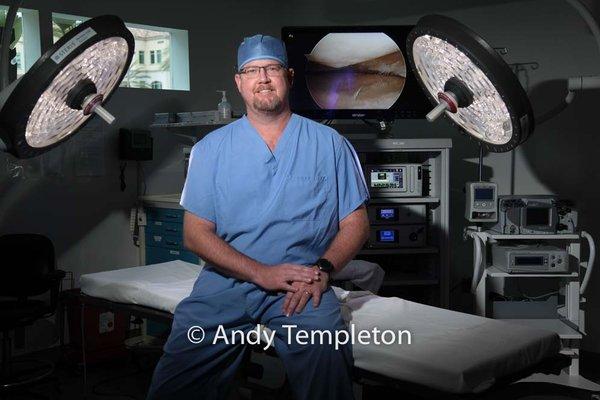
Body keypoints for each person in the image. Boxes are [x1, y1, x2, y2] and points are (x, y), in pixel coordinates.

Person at [146, 34, 370, 400]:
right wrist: (259, 272)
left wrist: (323, 272)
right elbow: (196, 235)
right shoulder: (210, 150)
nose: (262, 78)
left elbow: (356, 223)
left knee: (324, 359)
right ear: (239, 82)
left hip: (300, 285)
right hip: (225, 283)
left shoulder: (330, 145)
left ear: (290, 76)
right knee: (177, 379)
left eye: (271, 68)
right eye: (252, 70)